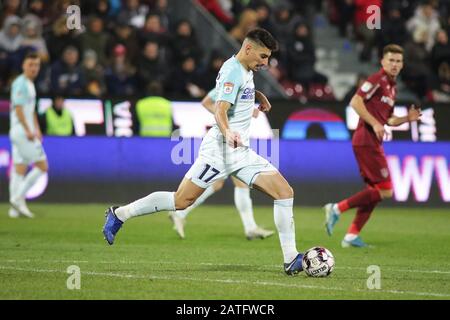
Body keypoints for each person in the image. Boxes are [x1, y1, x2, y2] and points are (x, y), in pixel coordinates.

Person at [103, 28, 305, 275]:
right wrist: (228, 132)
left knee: (284, 192)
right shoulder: (233, 70)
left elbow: (233, 94)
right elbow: (220, 109)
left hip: (241, 152)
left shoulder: (244, 69)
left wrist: (258, 96)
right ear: (249, 48)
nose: (265, 62)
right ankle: (119, 214)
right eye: (263, 56)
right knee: (181, 200)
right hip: (220, 151)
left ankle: (291, 258)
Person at [324, 44, 422, 248]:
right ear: (382, 61)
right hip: (365, 140)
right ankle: (336, 208)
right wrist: (375, 123)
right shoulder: (377, 80)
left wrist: (407, 118)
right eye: (391, 60)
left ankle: (351, 236)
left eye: (398, 61)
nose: (394, 64)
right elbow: (355, 101)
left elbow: (389, 120)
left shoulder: (392, 88)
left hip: (371, 141)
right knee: (386, 191)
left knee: (374, 192)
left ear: (402, 64)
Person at [168, 88, 274, 240]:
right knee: (240, 183)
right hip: (226, 139)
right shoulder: (230, 82)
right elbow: (206, 103)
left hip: (230, 138)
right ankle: (250, 228)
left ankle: (180, 213)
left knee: (220, 184)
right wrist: (226, 117)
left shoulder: (241, 82)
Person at [8, 51, 49, 218]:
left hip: (24, 132)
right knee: (42, 166)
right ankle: (17, 198)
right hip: (22, 132)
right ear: (23, 65)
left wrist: (37, 129)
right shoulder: (20, 83)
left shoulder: (30, 84)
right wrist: (28, 130)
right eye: (31, 65)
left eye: (37, 65)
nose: (34, 68)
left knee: (19, 168)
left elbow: (30, 111)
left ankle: (13, 209)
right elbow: (18, 108)